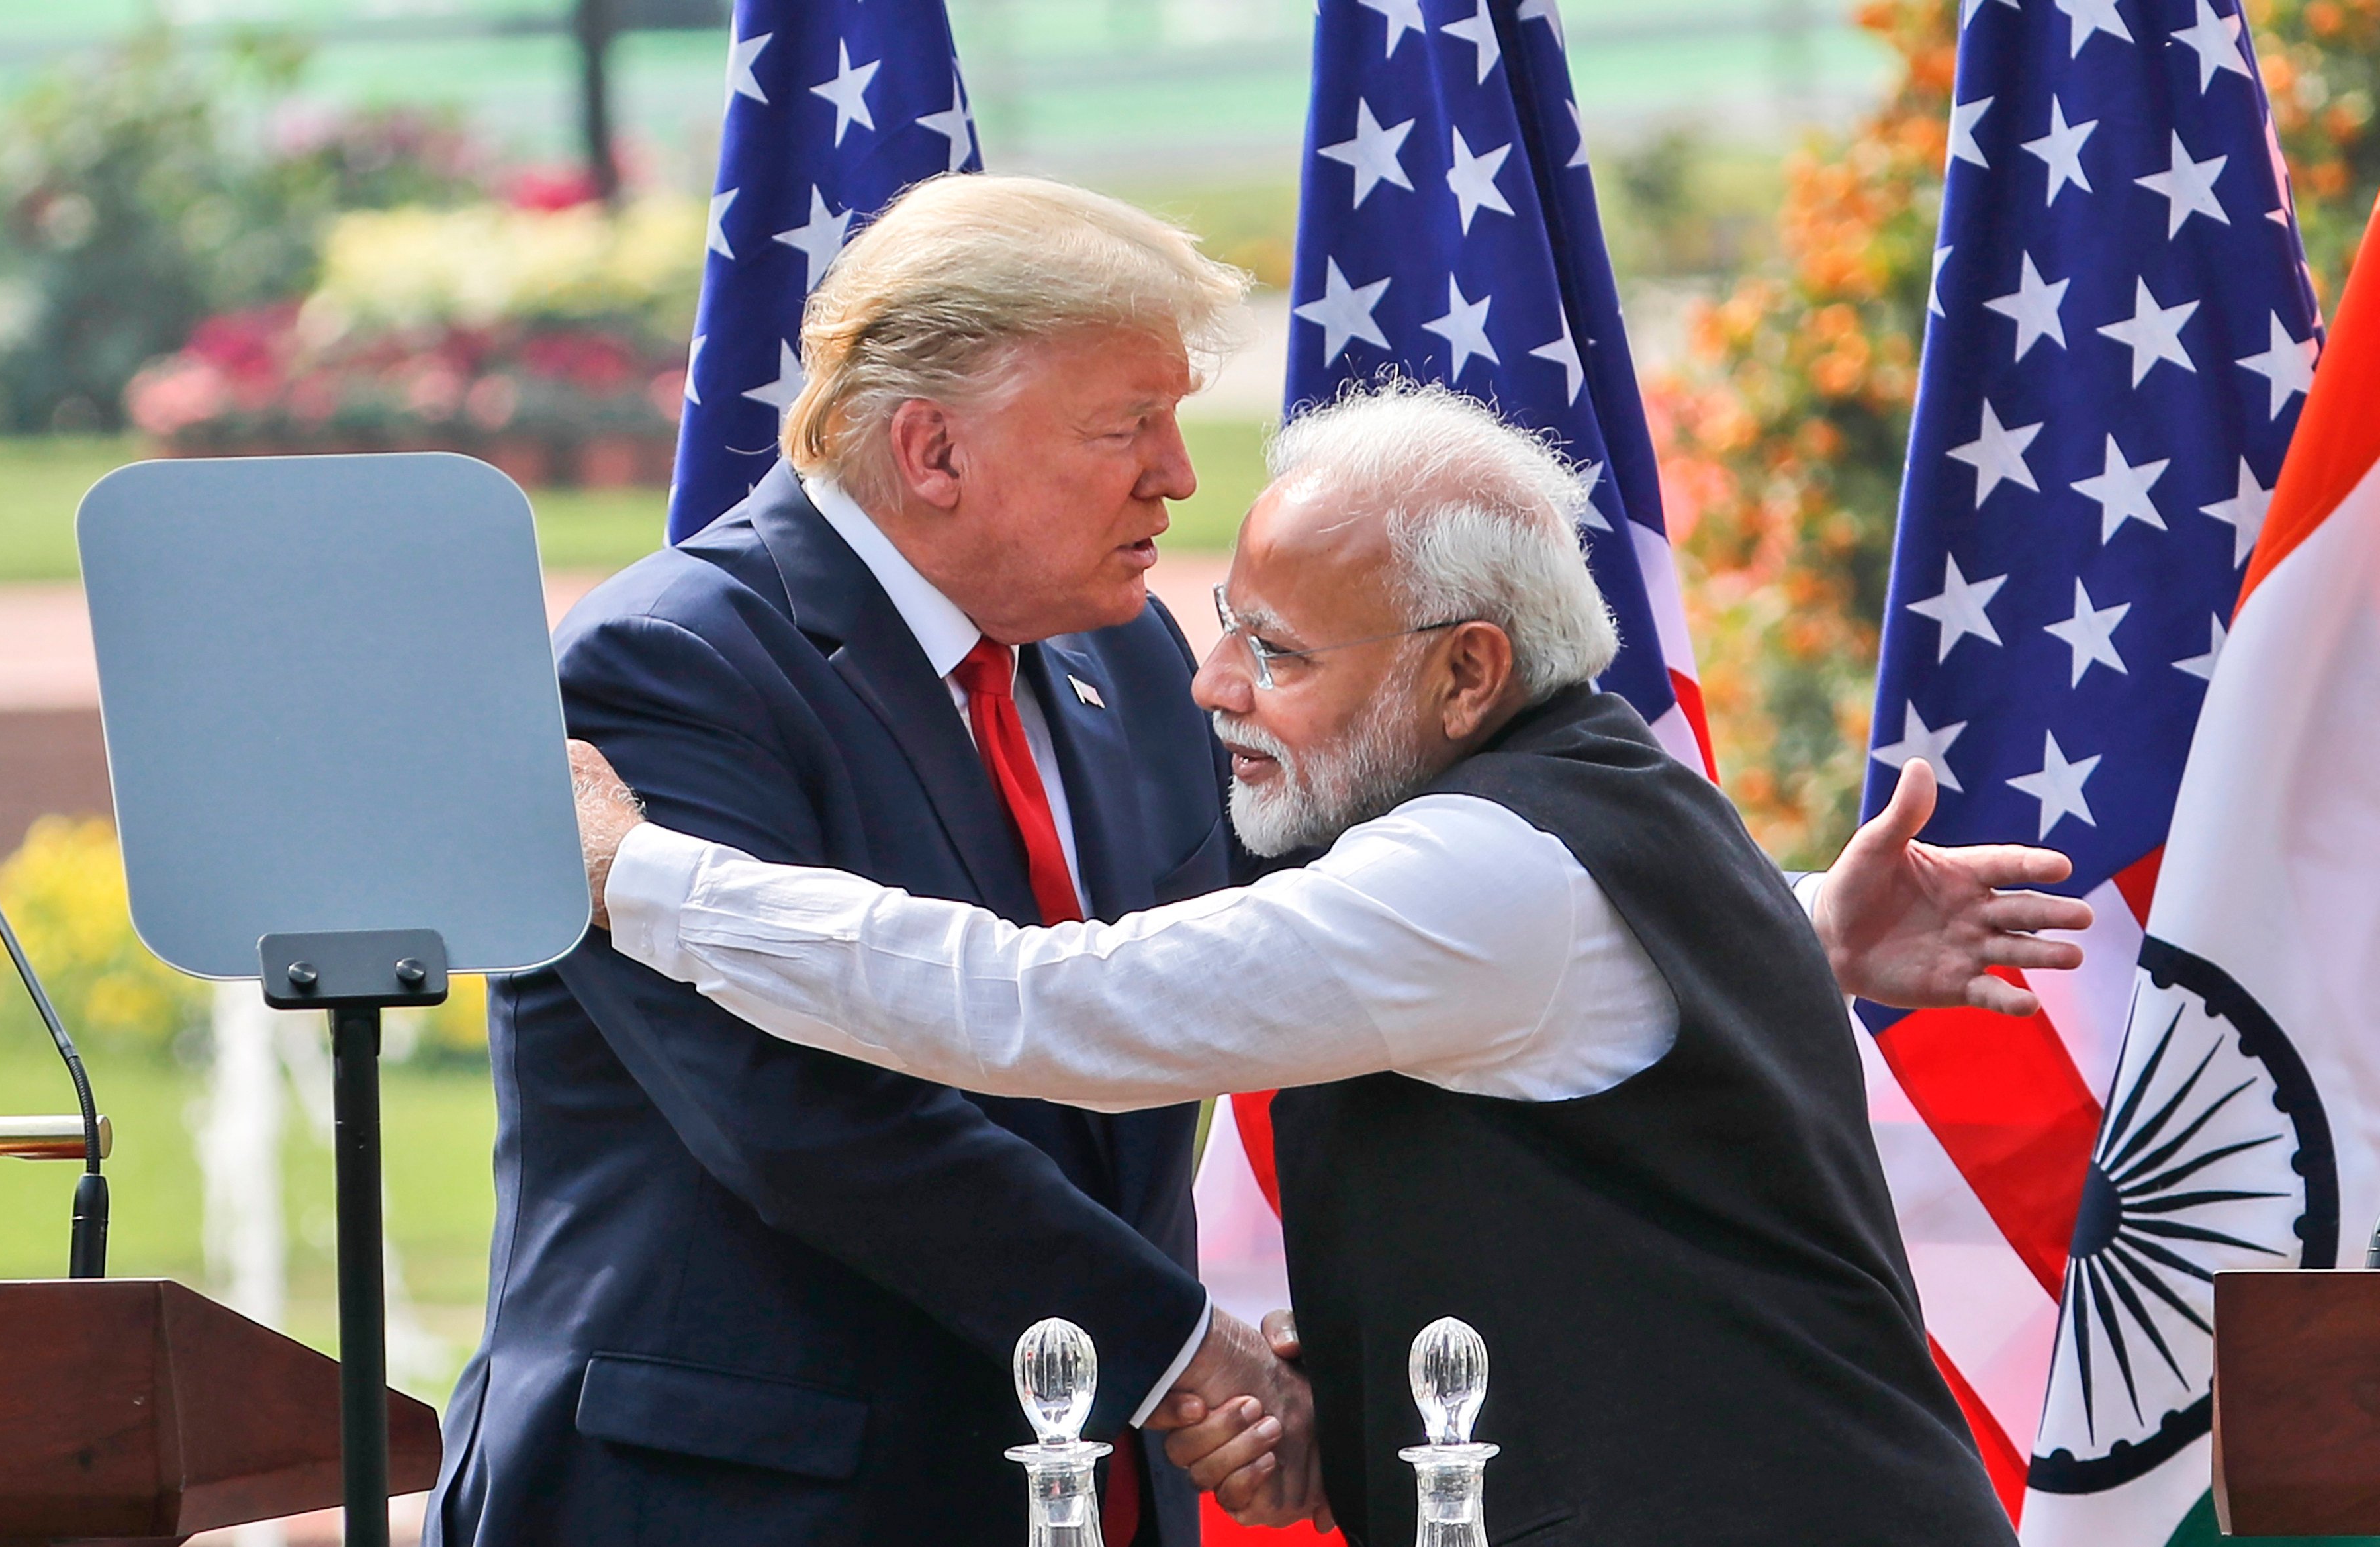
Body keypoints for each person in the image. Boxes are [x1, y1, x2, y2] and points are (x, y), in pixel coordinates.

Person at [568, 381, 2093, 1545]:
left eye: (1280, 653)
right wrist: (1805, 926)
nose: (1211, 684)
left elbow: (1051, 1003)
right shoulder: (1586, 802)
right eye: (1228, 624)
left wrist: (644, 877)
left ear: (1463, 670)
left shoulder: (1479, 869)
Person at [428, 174, 1320, 1547]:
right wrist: (1179, 1349)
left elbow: (1285, 959)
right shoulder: (672, 667)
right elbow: (807, 1114)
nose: (1179, 473)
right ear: (932, 450)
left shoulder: (1126, 651)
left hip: (1077, 1487)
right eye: (1127, 425)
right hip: (744, 1502)